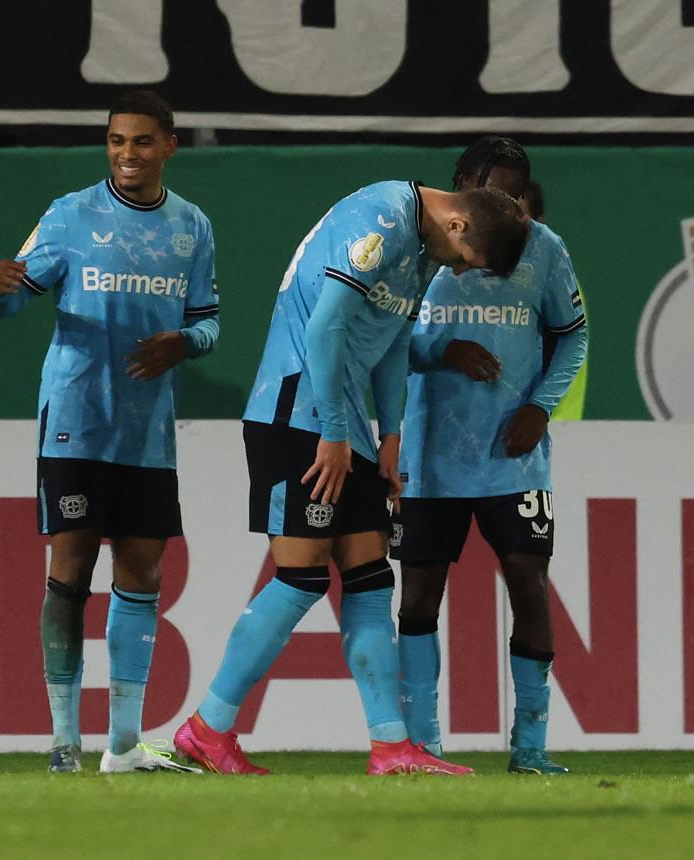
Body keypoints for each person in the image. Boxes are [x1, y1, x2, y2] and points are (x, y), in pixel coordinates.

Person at [173, 173, 529, 775]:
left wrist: (388, 435)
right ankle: (207, 729)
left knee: (368, 578)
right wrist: (335, 434)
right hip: (296, 414)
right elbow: (324, 328)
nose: (463, 271)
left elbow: (390, 346)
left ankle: (390, 747)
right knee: (301, 577)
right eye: (469, 260)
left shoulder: (420, 251)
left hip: (346, 427)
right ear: (458, 225)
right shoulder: (382, 219)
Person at [0, 91, 219, 774]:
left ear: (169, 146)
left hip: (146, 432)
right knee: (70, 571)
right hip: (77, 423)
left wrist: (187, 343)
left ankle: (121, 746)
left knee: (143, 573)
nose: (126, 154)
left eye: (142, 142)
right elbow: (11, 301)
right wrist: (4, 287)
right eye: (116, 140)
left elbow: (210, 321)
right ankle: (64, 743)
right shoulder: (70, 214)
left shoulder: (192, 227)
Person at [393, 137, 588, 775]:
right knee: (419, 597)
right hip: (429, 454)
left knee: (528, 581)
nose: (504, 203)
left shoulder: (544, 249)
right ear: (461, 182)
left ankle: (530, 748)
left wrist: (541, 406)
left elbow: (573, 335)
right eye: (492, 189)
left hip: (513, 454)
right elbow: (386, 338)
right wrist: (442, 352)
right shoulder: (412, 247)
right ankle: (422, 747)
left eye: (513, 192)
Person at [521, 180, 590, 421]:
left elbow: (568, 350)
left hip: (550, 427)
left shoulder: (553, 281)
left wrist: (540, 410)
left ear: (540, 224)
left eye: (518, 219)